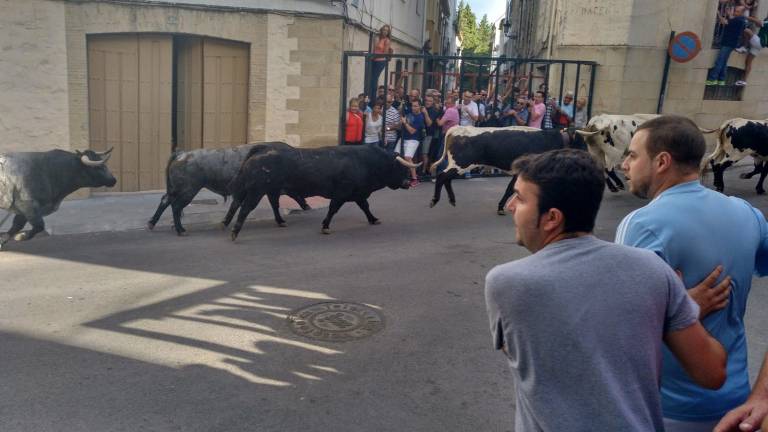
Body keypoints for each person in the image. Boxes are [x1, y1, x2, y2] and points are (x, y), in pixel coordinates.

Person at [485, 149, 727, 431]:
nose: (512, 205)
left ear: (552, 218)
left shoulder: (506, 283)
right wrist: (684, 309)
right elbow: (712, 373)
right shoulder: (652, 269)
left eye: (521, 198)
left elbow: (532, 356)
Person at [615, 115, 768, 431]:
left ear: (662, 161)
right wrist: (762, 396)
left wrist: (682, 309)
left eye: (632, 155)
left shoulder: (641, 225)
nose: (624, 166)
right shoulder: (747, 214)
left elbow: (619, 331)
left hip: (663, 409)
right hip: (737, 406)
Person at [707, 4, 748, 85]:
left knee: (719, 61)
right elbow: (731, 21)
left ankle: (712, 79)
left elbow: (724, 22)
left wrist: (718, 13)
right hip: (731, 43)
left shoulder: (738, 20)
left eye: (737, 11)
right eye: (735, 10)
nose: (735, 12)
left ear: (742, 13)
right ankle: (721, 80)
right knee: (724, 61)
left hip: (728, 43)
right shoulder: (741, 20)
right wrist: (729, 14)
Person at [734, 12, 766, 86]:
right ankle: (744, 81)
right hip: (760, 46)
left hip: (759, 42)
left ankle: (744, 47)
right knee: (748, 62)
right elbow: (759, 24)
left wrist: (746, 17)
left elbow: (758, 22)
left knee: (746, 30)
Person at [400, 99, 425, 187]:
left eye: (416, 106)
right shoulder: (409, 112)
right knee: (397, 155)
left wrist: (405, 122)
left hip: (413, 139)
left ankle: (415, 178)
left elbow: (411, 131)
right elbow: (401, 111)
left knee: (407, 157)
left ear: (420, 107)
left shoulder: (420, 118)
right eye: (413, 106)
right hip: (404, 138)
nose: (413, 108)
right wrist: (401, 104)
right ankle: (402, 176)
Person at [368, 24, 392, 104]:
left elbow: (384, 53)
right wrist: (372, 57)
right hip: (374, 59)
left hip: (381, 61)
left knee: (374, 79)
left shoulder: (387, 40)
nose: (385, 32)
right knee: (370, 79)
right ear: (381, 30)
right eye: (384, 30)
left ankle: (372, 100)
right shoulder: (377, 38)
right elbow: (373, 49)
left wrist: (373, 57)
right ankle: (369, 97)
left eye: (387, 31)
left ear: (388, 32)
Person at [421, 95, 440, 178]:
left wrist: (425, 113)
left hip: (428, 135)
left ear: (432, 103)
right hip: (420, 134)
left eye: (430, 101)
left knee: (425, 153)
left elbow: (429, 124)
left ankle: (424, 171)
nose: (427, 102)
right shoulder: (422, 108)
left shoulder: (433, 111)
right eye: (426, 100)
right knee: (421, 153)